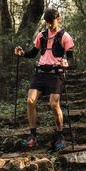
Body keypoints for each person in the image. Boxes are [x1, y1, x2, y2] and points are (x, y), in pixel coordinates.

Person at [15, 8, 74, 151]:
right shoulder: (41, 36)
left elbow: (71, 58)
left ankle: (60, 135)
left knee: (54, 104)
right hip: (41, 73)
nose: (49, 25)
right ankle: (32, 135)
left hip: (56, 74)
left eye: (51, 22)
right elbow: (33, 53)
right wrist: (22, 54)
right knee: (30, 101)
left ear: (58, 19)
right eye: (47, 22)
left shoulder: (65, 36)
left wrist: (67, 63)